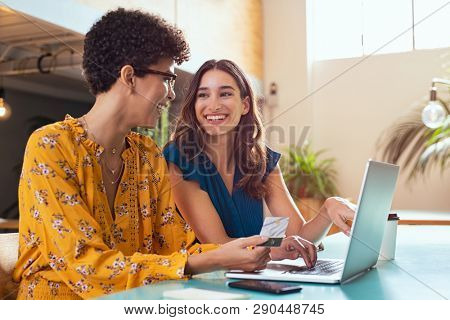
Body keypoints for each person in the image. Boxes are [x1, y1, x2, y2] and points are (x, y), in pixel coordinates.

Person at [12, 9, 270, 300]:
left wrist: (251, 249)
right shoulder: (51, 145)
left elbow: (176, 247)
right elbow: (84, 265)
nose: (172, 93)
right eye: (168, 78)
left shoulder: (146, 154)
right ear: (129, 77)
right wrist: (210, 260)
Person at [163, 59, 356, 268]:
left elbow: (300, 235)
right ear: (194, 105)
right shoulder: (180, 158)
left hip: (251, 279)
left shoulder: (261, 160)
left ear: (245, 105)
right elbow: (218, 246)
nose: (214, 104)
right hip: (198, 286)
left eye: (225, 93)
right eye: (203, 95)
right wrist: (275, 247)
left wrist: (328, 209)